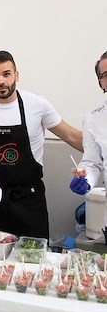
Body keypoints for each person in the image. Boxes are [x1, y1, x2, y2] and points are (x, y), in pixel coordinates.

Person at [0, 50, 83, 239]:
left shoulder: (38, 105)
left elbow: (72, 136)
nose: (1, 81)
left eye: (6, 74)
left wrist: (101, 152)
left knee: (31, 258)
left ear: (16, 75)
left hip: (29, 199)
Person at [69, 51, 107, 241]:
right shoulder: (93, 118)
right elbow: (92, 162)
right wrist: (86, 179)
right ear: (100, 82)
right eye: (105, 75)